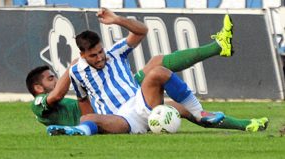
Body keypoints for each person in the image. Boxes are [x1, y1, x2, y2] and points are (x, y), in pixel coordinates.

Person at [46, 8, 268, 135]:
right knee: (89, 117)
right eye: (93, 55)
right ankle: (75, 132)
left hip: (142, 102)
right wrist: (93, 122)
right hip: (121, 118)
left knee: (158, 71)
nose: (100, 57)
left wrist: (116, 20)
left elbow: (142, 31)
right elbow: (83, 100)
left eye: (100, 52)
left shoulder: (115, 53)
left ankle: (245, 124)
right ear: (82, 55)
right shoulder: (76, 71)